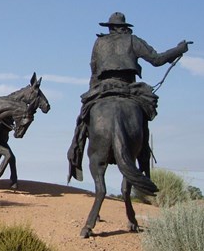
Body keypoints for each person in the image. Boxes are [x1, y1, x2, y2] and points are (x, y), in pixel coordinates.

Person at [67, 12, 190, 182]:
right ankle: (143, 161)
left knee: (82, 122)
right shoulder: (133, 40)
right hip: (128, 88)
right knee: (145, 114)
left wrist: (90, 96)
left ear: (110, 27)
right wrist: (179, 50)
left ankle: (76, 154)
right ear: (124, 27)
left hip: (102, 87)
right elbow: (157, 59)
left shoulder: (99, 42)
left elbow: (94, 71)